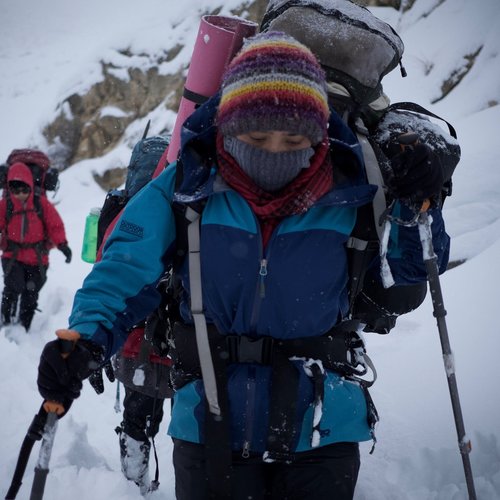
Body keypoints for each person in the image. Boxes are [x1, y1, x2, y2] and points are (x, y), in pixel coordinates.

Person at [36, 32, 449, 500]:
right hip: (208, 424)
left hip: (323, 430)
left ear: (319, 132)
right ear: (227, 128)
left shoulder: (353, 189)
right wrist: (85, 340)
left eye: (294, 138)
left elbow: (404, 279)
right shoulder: (187, 185)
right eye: (255, 136)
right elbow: (124, 271)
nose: (274, 150)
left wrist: (417, 207)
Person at [0, 161, 72, 331]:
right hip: (13, 256)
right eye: (15, 190)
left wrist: (63, 246)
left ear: (31, 186)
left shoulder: (41, 204)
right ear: (10, 189)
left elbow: (55, 226)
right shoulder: (6, 205)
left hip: (38, 258)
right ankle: (6, 323)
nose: (20, 194)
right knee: (12, 288)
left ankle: (24, 326)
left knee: (31, 294)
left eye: (24, 189)